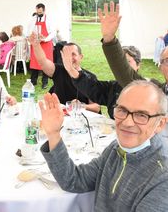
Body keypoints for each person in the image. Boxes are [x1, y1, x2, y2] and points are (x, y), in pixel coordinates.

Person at [40, 80, 168, 211]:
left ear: (160, 123)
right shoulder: (116, 149)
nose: (128, 122)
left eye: (142, 115)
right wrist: (53, 134)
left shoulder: (162, 177)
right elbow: (73, 180)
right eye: (122, 110)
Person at [99, 2, 168, 93]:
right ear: (161, 67)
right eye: (167, 60)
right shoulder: (156, 93)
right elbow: (127, 77)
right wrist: (109, 38)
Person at [62, 44, 141, 118]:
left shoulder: (146, 90)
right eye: (118, 63)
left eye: (127, 62)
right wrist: (71, 70)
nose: (121, 66)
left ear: (138, 65)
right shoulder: (113, 87)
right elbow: (92, 88)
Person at [29, 33, 100, 113]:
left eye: (73, 54)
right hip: (58, 116)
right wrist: (36, 45)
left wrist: (81, 106)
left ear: (81, 57)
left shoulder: (90, 77)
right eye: (67, 55)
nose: (70, 58)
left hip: (79, 118)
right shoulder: (58, 70)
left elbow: (96, 107)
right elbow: (43, 62)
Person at [28, 3, 55, 89]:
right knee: (34, 62)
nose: (39, 13)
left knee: (45, 63)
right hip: (36, 43)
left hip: (46, 44)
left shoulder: (49, 19)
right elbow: (29, 30)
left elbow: (53, 32)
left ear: (44, 10)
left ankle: (45, 82)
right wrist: (32, 36)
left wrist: (45, 39)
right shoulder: (33, 19)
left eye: (40, 12)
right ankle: (33, 81)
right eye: (37, 11)